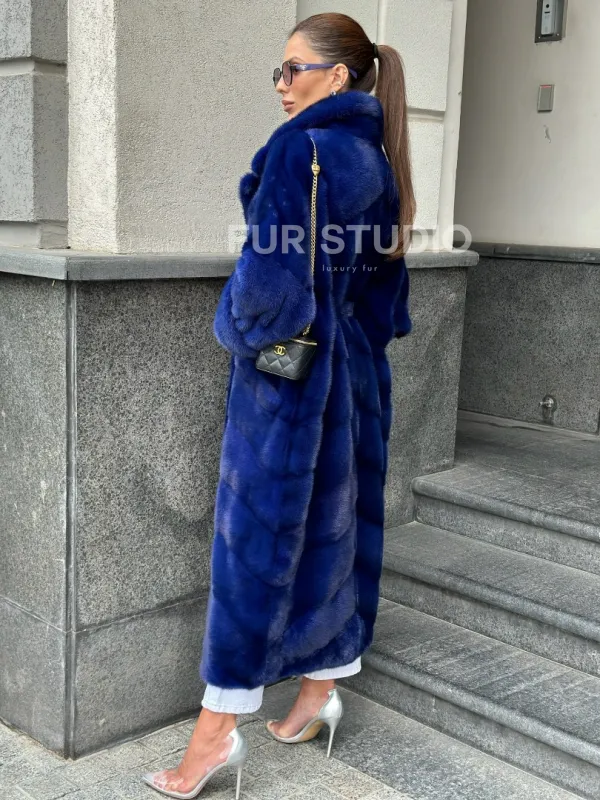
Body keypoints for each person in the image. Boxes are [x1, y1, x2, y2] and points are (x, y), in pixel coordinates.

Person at [142, 11, 415, 799]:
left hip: (290, 386)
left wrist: (235, 327)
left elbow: (268, 292)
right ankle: (318, 694)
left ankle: (213, 737)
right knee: (337, 536)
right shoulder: (378, 156)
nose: (281, 85)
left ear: (337, 75)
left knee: (254, 554)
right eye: (279, 71)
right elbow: (388, 298)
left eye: (293, 69)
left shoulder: (301, 149)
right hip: (354, 378)